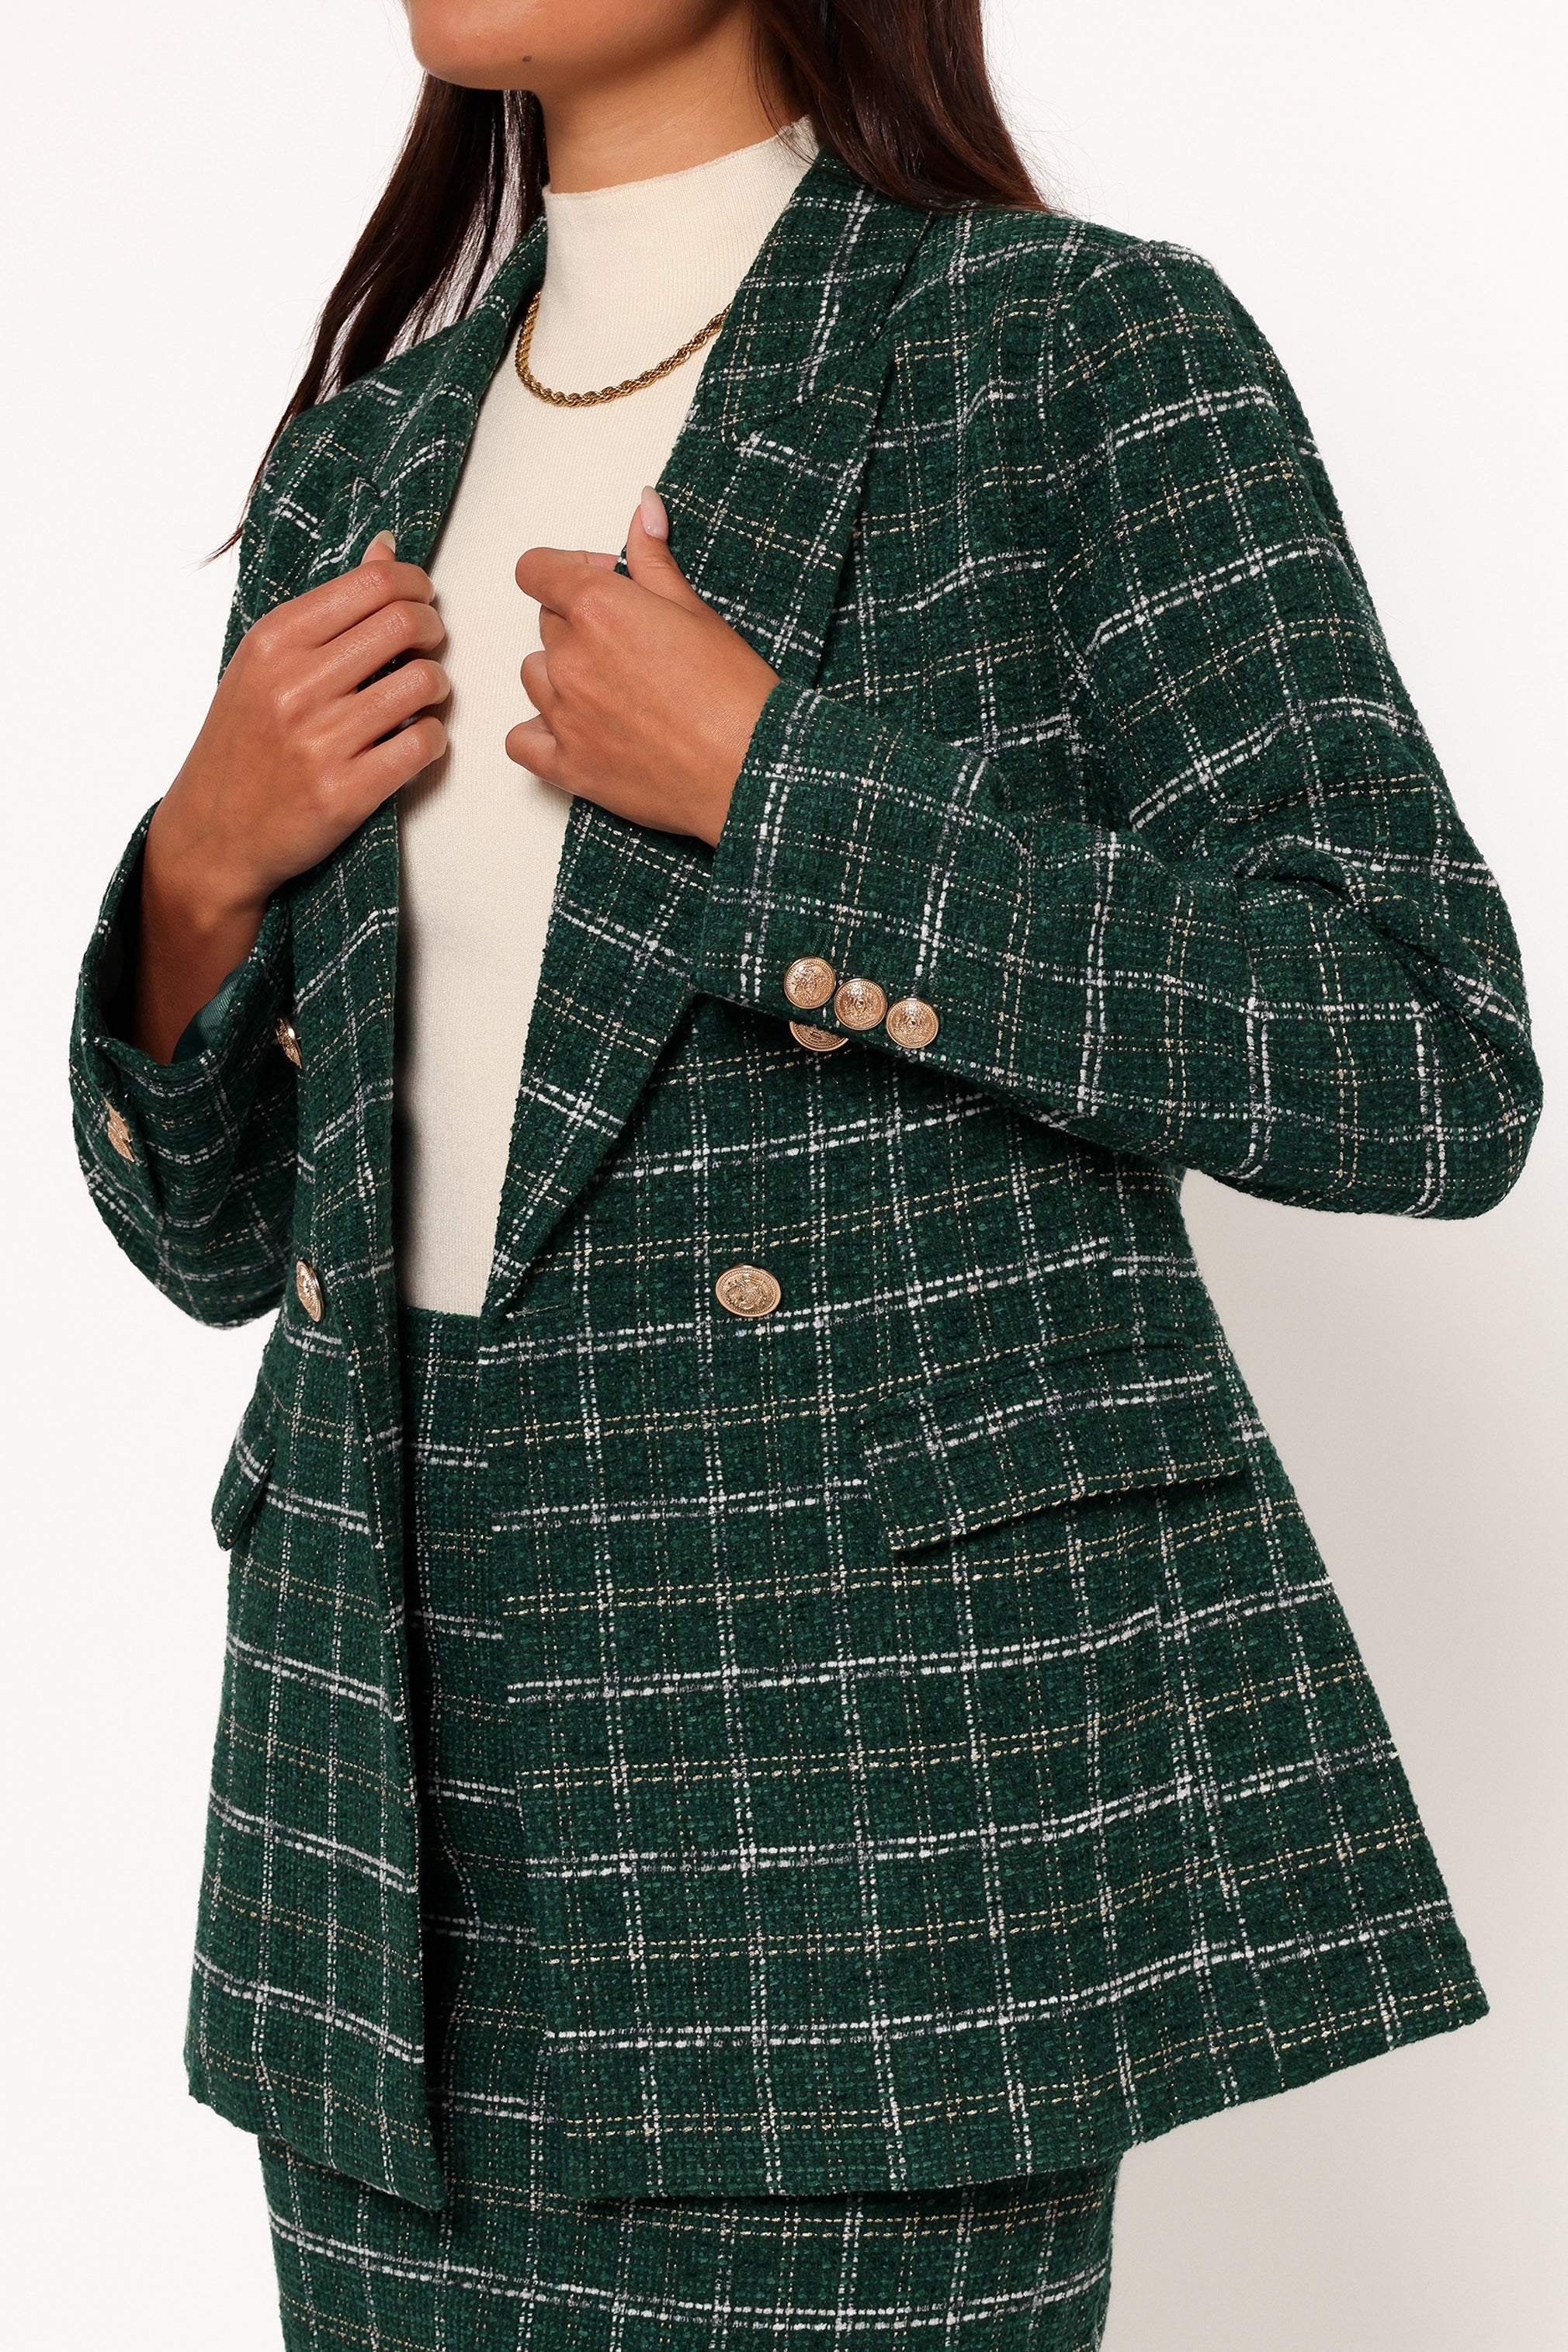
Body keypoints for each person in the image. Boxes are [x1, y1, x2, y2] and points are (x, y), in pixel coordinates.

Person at [68, 3, 1541, 2347]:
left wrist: (786, 798)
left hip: (853, 1857)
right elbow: (222, 1243)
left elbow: (1420, 1061)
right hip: (377, 1869)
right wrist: (194, 879)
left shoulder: (1060, 352)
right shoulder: (366, 456)